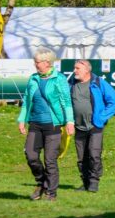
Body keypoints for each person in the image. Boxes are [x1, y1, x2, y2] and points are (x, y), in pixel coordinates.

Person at [17, 49, 73, 201]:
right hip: (35, 123)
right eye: (35, 61)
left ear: (47, 63)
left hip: (53, 125)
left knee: (50, 160)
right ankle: (41, 182)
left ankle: (51, 192)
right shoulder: (33, 79)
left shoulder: (59, 79)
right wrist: (22, 120)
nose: (35, 64)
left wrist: (70, 121)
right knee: (31, 155)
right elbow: (27, 100)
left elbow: (67, 102)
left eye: (37, 62)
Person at [68, 60, 115, 192]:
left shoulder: (98, 83)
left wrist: (101, 118)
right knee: (81, 158)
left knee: (94, 154)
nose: (75, 71)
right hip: (78, 126)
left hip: (95, 126)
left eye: (77, 68)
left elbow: (114, 100)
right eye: (75, 68)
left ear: (87, 70)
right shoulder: (71, 84)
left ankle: (94, 182)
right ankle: (85, 183)